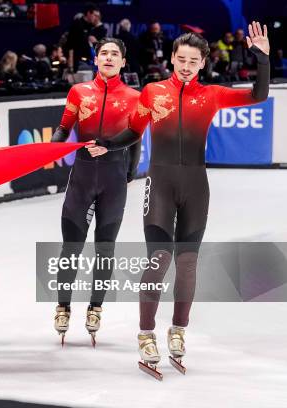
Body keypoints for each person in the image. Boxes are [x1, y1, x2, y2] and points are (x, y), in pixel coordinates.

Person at [88, 23, 270, 376]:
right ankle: (145, 334)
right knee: (158, 258)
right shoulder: (153, 92)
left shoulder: (213, 94)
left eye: (193, 60)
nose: (186, 65)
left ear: (203, 63)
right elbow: (133, 131)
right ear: (172, 58)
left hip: (196, 187)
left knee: (187, 263)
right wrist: (108, 144)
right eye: (181, 59)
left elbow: (258, 96)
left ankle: (178, 330)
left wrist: (261, 58)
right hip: (160, 185)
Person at [51, 38, 141, 345]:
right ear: (96, 60)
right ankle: (63, 304)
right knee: (70, 248)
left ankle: (95, 306)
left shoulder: (133, 96)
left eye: (116, 53)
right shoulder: (79, 91)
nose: (109, 57)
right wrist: (52, 146)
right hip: (83, 177)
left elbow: (136, 137)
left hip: (114, 180)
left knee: (105, 249)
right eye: (104, 53)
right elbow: (65, 127)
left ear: (123, 62)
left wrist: (129, 172)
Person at [64, 2, 105, 72]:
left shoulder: (90, 26)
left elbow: (100, 26)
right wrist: (70, 64)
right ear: (89, 13)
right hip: (77, 62)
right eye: (94, 15)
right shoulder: (77, 24)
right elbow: (70, 45)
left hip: (88, 60)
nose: (96, 18)